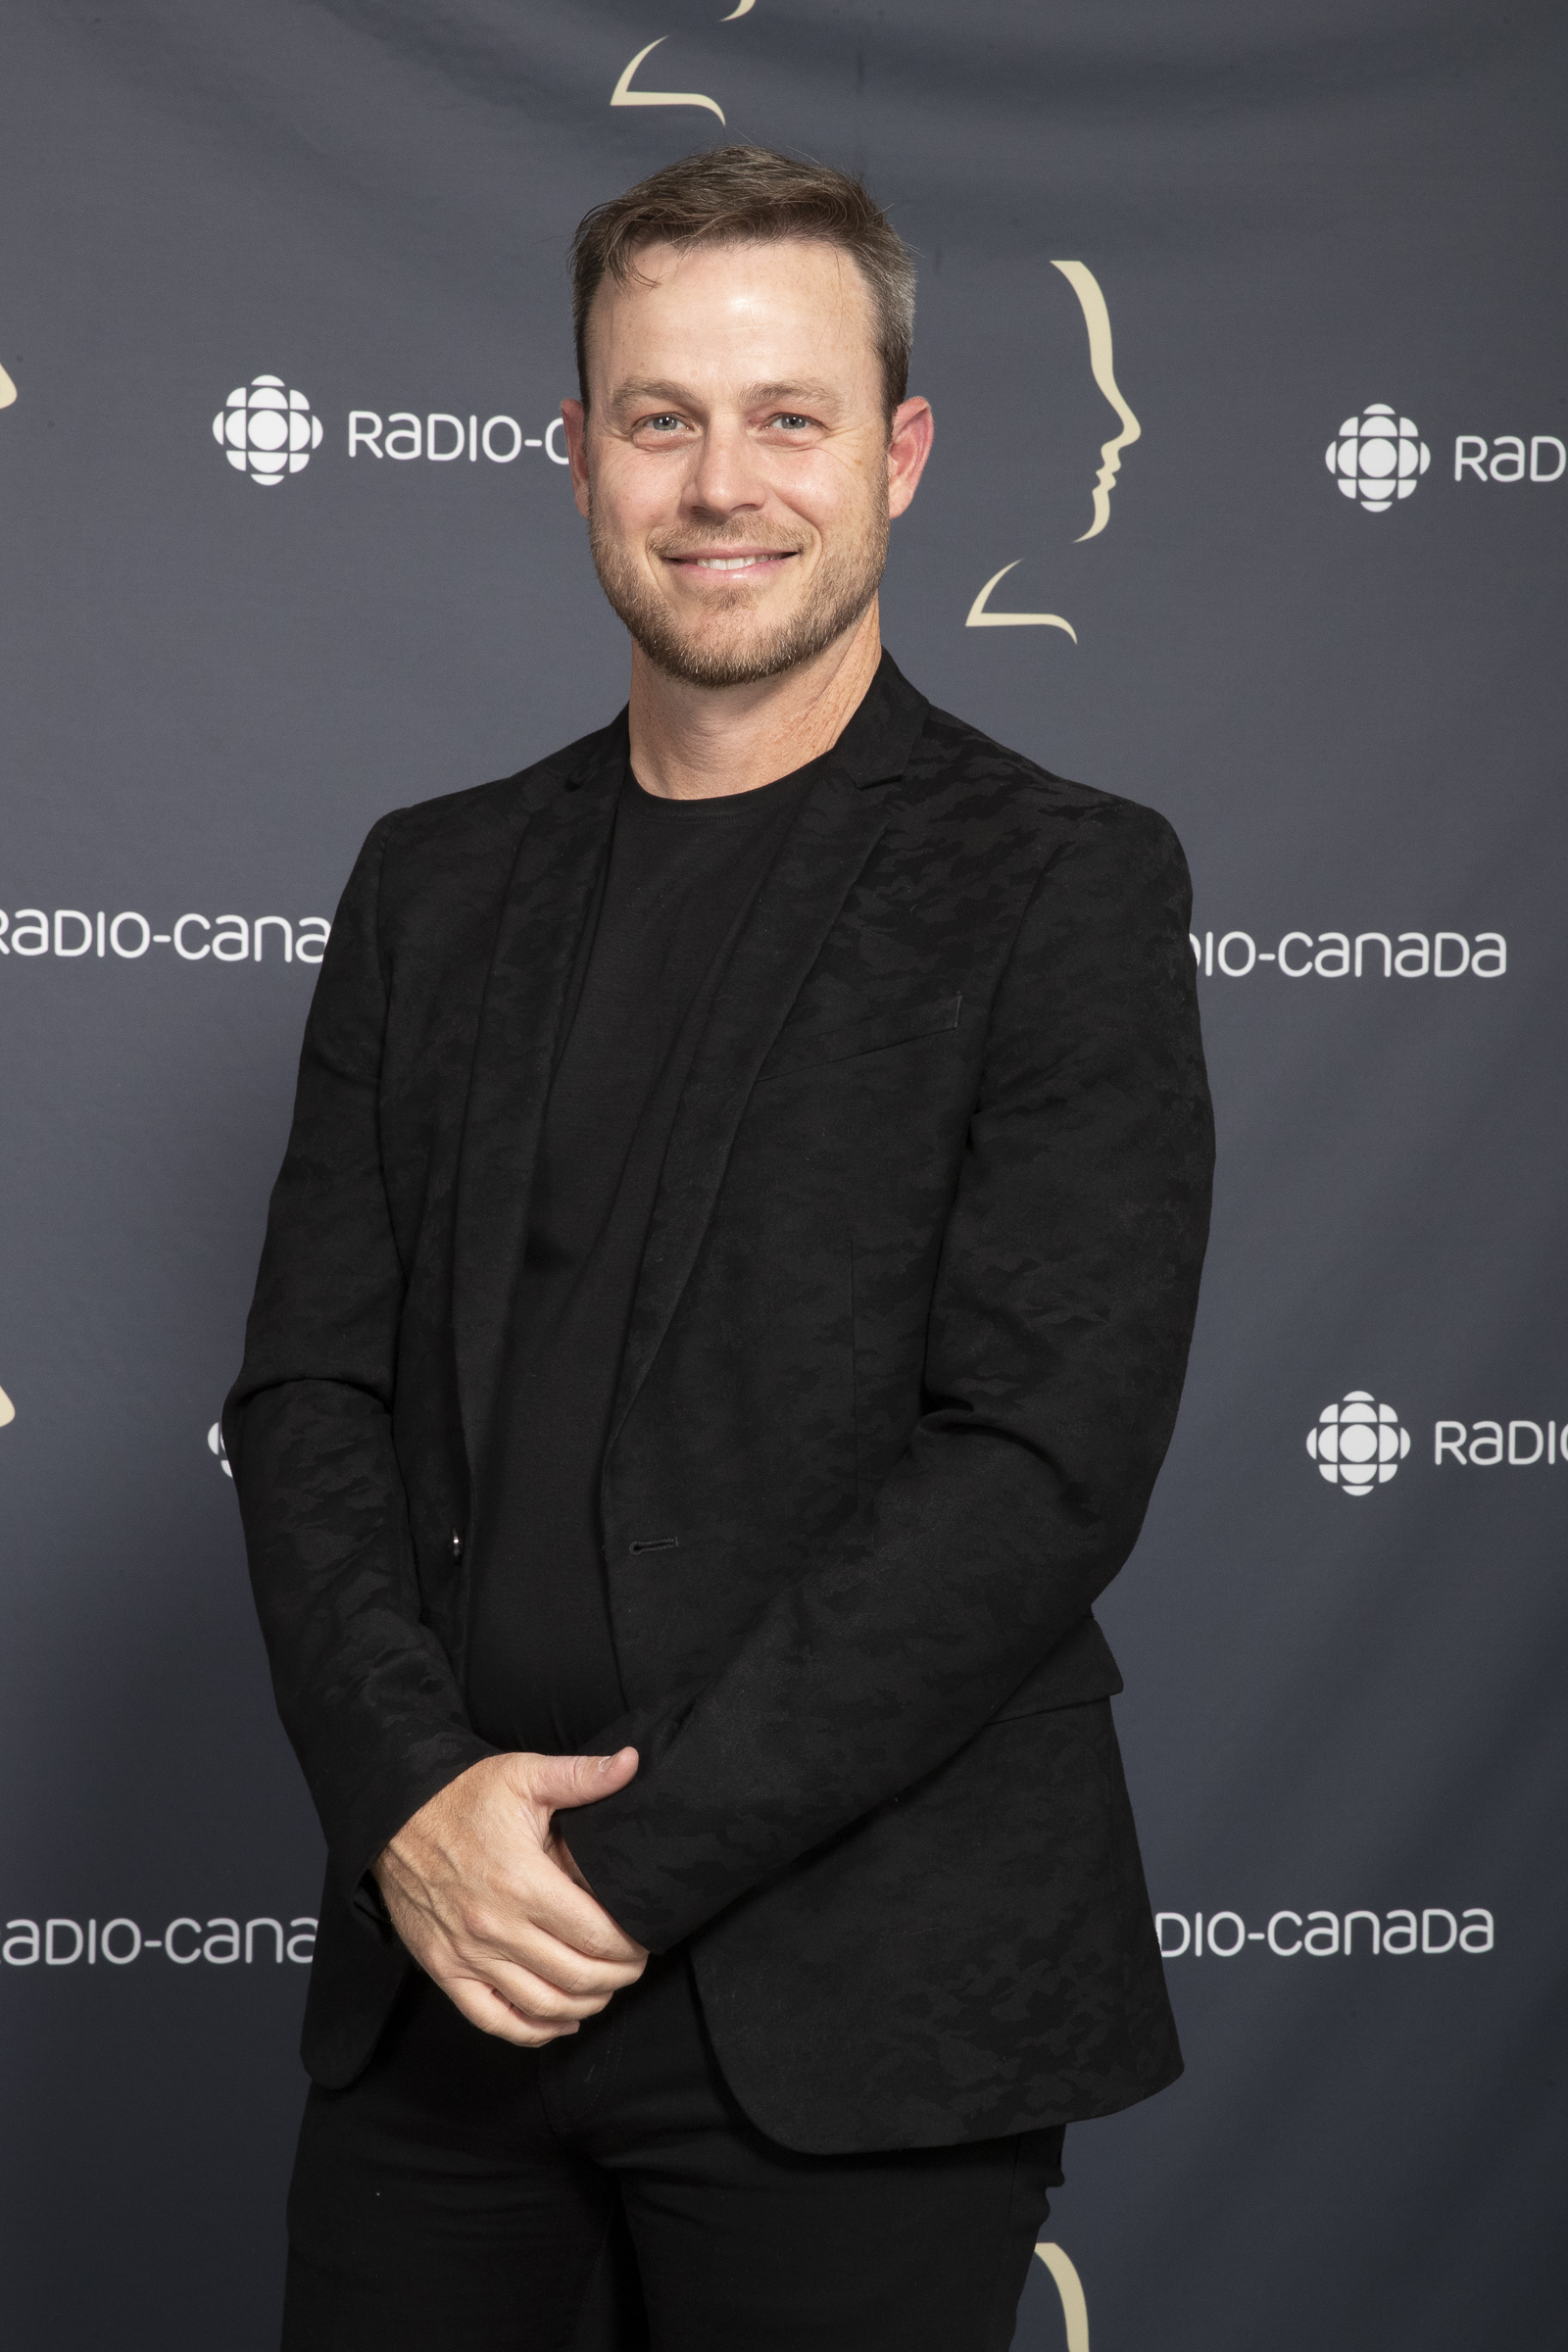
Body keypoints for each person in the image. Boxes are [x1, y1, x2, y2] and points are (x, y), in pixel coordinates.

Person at [225, 144, 1213, 2352]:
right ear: (577, 454)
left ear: (900, 455)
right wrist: (415, 1811)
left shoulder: (1059, 885)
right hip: (438, 1987)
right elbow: (306, 1397)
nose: (719, 486)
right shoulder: (428, 886)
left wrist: (601, 1876)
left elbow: (1038, 1462)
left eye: (788, 418)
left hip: (853, 2005)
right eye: (658, 418)